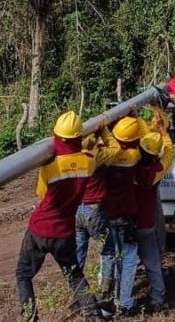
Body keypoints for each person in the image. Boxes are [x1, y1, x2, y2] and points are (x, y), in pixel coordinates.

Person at [15, 111, 103, 322]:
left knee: (24, 274)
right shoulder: (89, 162)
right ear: (78, 137)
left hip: (40, 229)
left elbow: (41, 194)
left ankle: (30, 318)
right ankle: (93, 315)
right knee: (74, 275)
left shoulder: (50, 165)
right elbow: (89, 151)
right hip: (64, 232)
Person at [133, 123, 174, 313]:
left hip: (126, 222)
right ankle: (158, 298)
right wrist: (164, 134)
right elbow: (169, 155)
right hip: (146, 224)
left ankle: (121, 299)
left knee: (124, 262)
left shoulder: (128, 163)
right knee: (153, 263)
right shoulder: (155, 172)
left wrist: (136, 122)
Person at [103, 116, 141, 316]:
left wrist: (104, 130)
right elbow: (140, 136)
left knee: (108, 255)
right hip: (127, 217)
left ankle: (105, 300)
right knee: (128, 259)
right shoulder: (134, 156)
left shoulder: (104, 160)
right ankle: (124, 303)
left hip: (108, 214)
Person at [75, 125, 118, 301]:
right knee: (108, 248)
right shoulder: (96, 157)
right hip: (94, 210)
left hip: (77, 210)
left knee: (78, 251)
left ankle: (76, 290)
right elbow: (115, 150)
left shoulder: (73, 157)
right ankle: (105, 289)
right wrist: (105, 132)